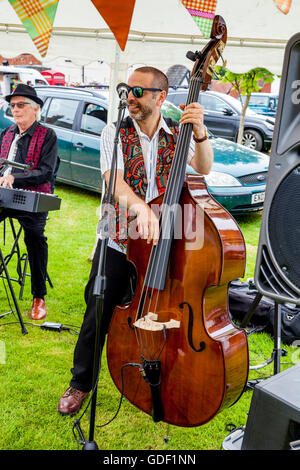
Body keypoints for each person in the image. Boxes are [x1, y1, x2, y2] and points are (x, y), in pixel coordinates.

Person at [58, 66, 214, 416]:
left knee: (164, 307)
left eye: (139, 91)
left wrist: (200, 132)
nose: (131, 96)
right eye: (128, 89)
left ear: (161, 96)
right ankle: (81, 382)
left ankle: (162, 370)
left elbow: (203, 168)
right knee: (98, 309)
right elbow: (113, 181)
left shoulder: (178, 132)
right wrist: (141, 208)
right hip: (119, 235)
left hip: (166, 238)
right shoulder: (114, 131)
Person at [0, 83, 58, 320]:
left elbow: (45, 172)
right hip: (3, 196)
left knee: (34, 237)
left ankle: (39, 296)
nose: (15, 109)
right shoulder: (6, 133)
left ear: (35, 109)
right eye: (13, 105)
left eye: (21, 105)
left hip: (32, 199)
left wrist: (15, 177)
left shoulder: (48, 136)